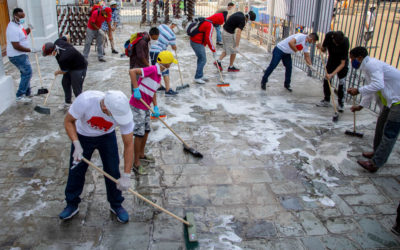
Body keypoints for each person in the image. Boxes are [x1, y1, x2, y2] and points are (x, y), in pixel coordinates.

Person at [60, 90, 134, 223]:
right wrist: (76, 144)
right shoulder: (85, 101)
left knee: (112, 170)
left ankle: (116, 204)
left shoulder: (123, 112)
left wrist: (127, 175)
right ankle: (72, 203)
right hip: (83, 136)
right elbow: (68, 122)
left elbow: (129, 145)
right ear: (105, 107)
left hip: (107, 137)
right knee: (76, 169)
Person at [347, 46, 400, 173]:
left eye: (352, 59)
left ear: (359, 58)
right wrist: (360, 106)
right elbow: (371, 89)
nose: (351, 62)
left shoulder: (372, 65)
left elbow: (378, 85)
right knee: (380, 126)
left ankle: (376, 163)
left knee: (389, 133)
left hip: (398, 101)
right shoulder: (367, 67)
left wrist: (358, 90)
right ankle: (377, 152)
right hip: (390, 102)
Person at [129, 51, 177, 172]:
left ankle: (141, 154)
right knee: (139, 133)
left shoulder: (159, 74)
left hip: (146, 106)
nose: (171, 65)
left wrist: (155, 107)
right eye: (171, 63)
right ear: (166, 63)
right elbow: (132, 72)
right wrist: (136, 89)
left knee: (146, 131)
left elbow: (153, 90)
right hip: (137, 105)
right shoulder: (152, 70)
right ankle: (136, 163)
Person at [42, 36, 88, 109]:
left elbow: (64, 71)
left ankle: (82, 106)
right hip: (69, 65)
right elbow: (67, 36)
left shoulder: (63, 58)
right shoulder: (58, 41)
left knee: (76, 88)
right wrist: (69, 46)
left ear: (53, 51)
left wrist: (57, 72)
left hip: (79, 67)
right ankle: (68, 102)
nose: (49, 56)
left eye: (49, 54)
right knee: (65, 83)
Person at [6, 8, 40, 103]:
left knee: (25, 73)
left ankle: (27, 92)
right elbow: (16, 45)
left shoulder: (19, 25)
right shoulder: (12, 28)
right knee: (27, 72)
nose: (22, 19)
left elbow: (23, 34)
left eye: (23, 17)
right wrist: (30, 50)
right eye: (21, 17)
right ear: (15, 16)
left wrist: (29, 29)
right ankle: (20, 95)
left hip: (22, 54)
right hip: (16, 55)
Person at [316, 31, 349, 112]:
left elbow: (342, 64)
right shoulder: (328, 36)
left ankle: (341, 103)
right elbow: (324, 49)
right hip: (331, 61)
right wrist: (320, 47)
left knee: (342, 82)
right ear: (332, 38)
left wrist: (332, 74)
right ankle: (326, 100)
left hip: (342, 62)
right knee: (326, 80)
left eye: (339, 44)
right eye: (336, 43)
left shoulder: (345, 42)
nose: (337, 45)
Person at [190, 13, 225, 84]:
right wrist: (214, 51)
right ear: (217, 21)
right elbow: (208, 38)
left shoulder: (206, 21)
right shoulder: (210, 25)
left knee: (201, 59)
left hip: (195, 41)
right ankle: (197, 77)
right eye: (219, 24)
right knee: (203, 59)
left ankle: (200, 75)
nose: (218, 25)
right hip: (197, 42)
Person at [149, 21, 180, 96]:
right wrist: (175, 47)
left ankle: (159, 86)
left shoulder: (162, 26)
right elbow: (173, 47)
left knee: (156, 69)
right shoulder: (172, 35)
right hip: (160, 53)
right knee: (165, 70)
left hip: (152, 51)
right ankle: (168, 90)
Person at [129, 27, 159, 93]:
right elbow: (141, 57)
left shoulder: (147, 38)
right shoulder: (142, 42)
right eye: (155, 38)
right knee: (135, 84)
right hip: (136, 65)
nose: (156, 39)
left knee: (142, 84)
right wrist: (149, 65)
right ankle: (134, 100)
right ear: (152, 35)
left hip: (142, 65)